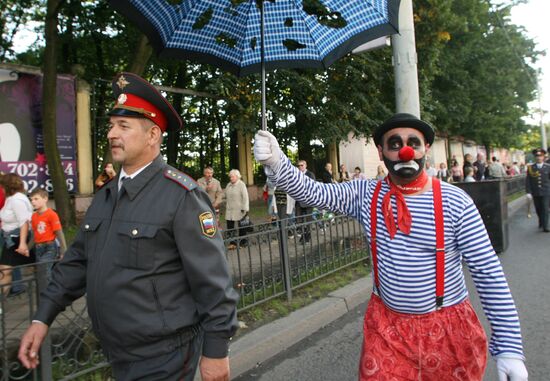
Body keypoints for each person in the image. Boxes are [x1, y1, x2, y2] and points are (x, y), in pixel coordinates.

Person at [254, 112, 528, 381]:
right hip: (387, 331)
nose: (405, 151)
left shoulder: (455, 202)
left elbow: (488, 272)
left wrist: (509, 348)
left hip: (448, 331)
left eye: (414, 143)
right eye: (394, 144)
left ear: (426, 149)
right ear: (381, 151)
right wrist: (277, 162)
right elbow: (314, 192)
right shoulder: (365, 194)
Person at [18, 72, 238, 381]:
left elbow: (213, 282)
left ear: (152, 136)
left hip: (164, 356)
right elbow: (77, 262)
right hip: (118, 353)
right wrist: (43, 318)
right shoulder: (107, 195)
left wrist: (215, 351)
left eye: (123, 126)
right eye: (111, 125)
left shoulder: (181, 196)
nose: (111, 134)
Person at [0, 173, 33, 297]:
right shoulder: (11, 198)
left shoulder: (17, 200)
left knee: (5, 270)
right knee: (5, 270)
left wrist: (23, 243)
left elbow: (24, 222)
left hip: (16, 238)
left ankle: (1, 302)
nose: (1, 189)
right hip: (11, 238)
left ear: (7, 186)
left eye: (3, 186)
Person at [29, 189, 67, 280]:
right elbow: (35, 234)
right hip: (38, 248)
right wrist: (28, 248)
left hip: (50, 247)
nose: (33, 202)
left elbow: (59, 232)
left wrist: (63, 250)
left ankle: (50, 292)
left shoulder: (52, 214)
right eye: (31, 199)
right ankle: (46, 290)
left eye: (36, 199)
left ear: (45, 199)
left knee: (44, 270)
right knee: (41, 271)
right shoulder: (34, 216)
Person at [525, 148, 550, 232]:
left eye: (541, 156)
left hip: (546, 191)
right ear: (535, 157)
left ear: (543, 157)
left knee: (545, 208)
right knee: (538, 209)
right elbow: (528, 180)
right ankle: (541, 220)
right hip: (535, 192)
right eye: (537, 156)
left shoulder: (548, 167)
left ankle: (545, 226)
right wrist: (528, 192)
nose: (539, 158)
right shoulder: (531, 168)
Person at [224, 169, 249, 249]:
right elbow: (225, 195)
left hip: (239, 209)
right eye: (230, 177)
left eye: (232, 177)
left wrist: (245, 208)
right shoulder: (228, 185)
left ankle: (243, 242)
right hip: (230, 209)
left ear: (237, 177)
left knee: (242, 226)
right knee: (230, 227)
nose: (231, 178)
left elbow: (245, 197)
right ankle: (233, 243)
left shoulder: (241, 185)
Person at [295, 160, 315, 243]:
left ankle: (307, 237)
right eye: (298, 166)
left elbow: (312, 186)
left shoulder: (310, 174)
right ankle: (304, 235)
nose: (300, 167)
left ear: (305, 165)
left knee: (307, 220)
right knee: (299, 220)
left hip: (308, 201)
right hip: (298, 201)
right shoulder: (296, 174)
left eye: (301, 165)